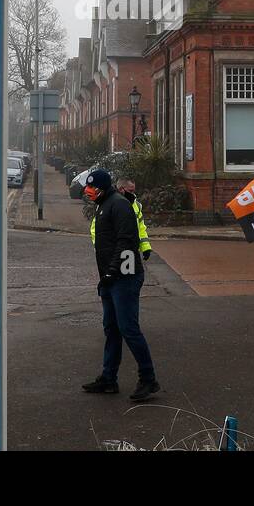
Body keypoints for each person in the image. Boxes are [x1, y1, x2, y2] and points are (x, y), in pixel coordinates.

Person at [80, 169, 160, 400]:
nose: (89, 192)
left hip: (125, 277)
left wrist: (113, 272)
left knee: (128, 329)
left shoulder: (119, 205)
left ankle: (148, 379)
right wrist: (106, 277)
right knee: (112, 329)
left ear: (103, 188)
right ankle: (108, 379)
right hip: (110, 278)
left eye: (92, 188)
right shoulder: (104, 204)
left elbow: (127, 241)